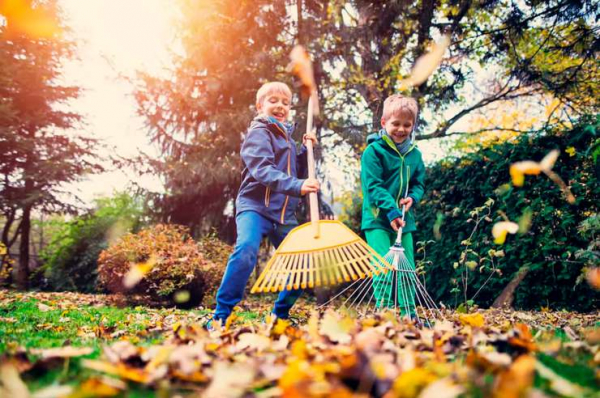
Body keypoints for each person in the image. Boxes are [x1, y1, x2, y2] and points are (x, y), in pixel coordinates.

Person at [210, 81, 319, 328]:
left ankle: (279, 314)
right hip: (255, 207)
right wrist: (297, 186)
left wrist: (304, 150)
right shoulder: (259, 132)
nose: (280, 106)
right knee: (247, 249)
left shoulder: (289, 141)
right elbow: (263, 170)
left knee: (304, 264)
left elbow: (296, 171)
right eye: (273, 101)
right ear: (260, 106)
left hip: (283, 214)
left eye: (285, 103)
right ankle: (220, 316)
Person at [360, 94, 426, 317]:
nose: (401, 129)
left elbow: (418, 183)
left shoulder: (415, 155)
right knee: (382, 267)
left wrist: (413, 198)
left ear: (413, 126)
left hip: (404, 220)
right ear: (384, 123)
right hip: (378, 218)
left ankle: (409, 313)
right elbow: (373, 186)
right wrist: (391, 210)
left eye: (407, 125)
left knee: (407, 268)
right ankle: (384, 311)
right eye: (395, 123)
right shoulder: (373, 152)